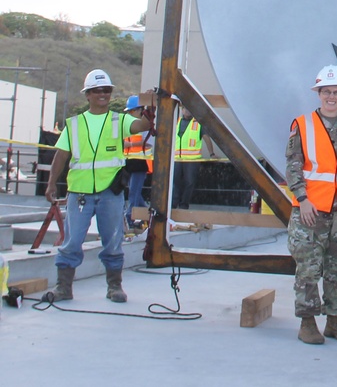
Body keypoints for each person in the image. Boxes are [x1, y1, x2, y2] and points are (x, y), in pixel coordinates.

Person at [44, 69, 152, 303]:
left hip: (109, 193)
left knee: (113, 241)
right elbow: (61, 157)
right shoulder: (74, 124)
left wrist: (153, 108)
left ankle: (114, 287)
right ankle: (63, 288)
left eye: (106, 90)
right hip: (80, 193)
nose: (103, 94)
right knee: (71, 242)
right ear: (88, 94)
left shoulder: (119, 119)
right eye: (97, 90)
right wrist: (52, 182)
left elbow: (142, 126)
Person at [286, 65, 337, 345]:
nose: (332, 96)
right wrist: (302, 200)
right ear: (319, 93)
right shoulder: (303, 124)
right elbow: (294, 166)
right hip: (311, 209)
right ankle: (307, 323)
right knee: (308, 267)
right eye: (327, 92)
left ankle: (334, 321)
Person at [172, 102, 215, 210]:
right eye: (185, 109)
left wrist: (212, 154)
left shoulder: (198, 124)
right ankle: (173, 203)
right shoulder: (176, 122)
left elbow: (206, 138)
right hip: (177, 158)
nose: (187, 111)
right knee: (175, 182)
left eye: (189, 109)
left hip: (192, 160)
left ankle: (183, 205)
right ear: (182, 110)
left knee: (189, 182)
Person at [123, 95, 154, 229]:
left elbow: (148, 143)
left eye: (132, 111)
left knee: (134, 193)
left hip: (140, 163)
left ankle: (130, 216)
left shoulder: (144, 125)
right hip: (130, 162)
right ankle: (149, 215)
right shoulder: (128, 125)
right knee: (135, 192)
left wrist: (129, 145)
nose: (130, 114)